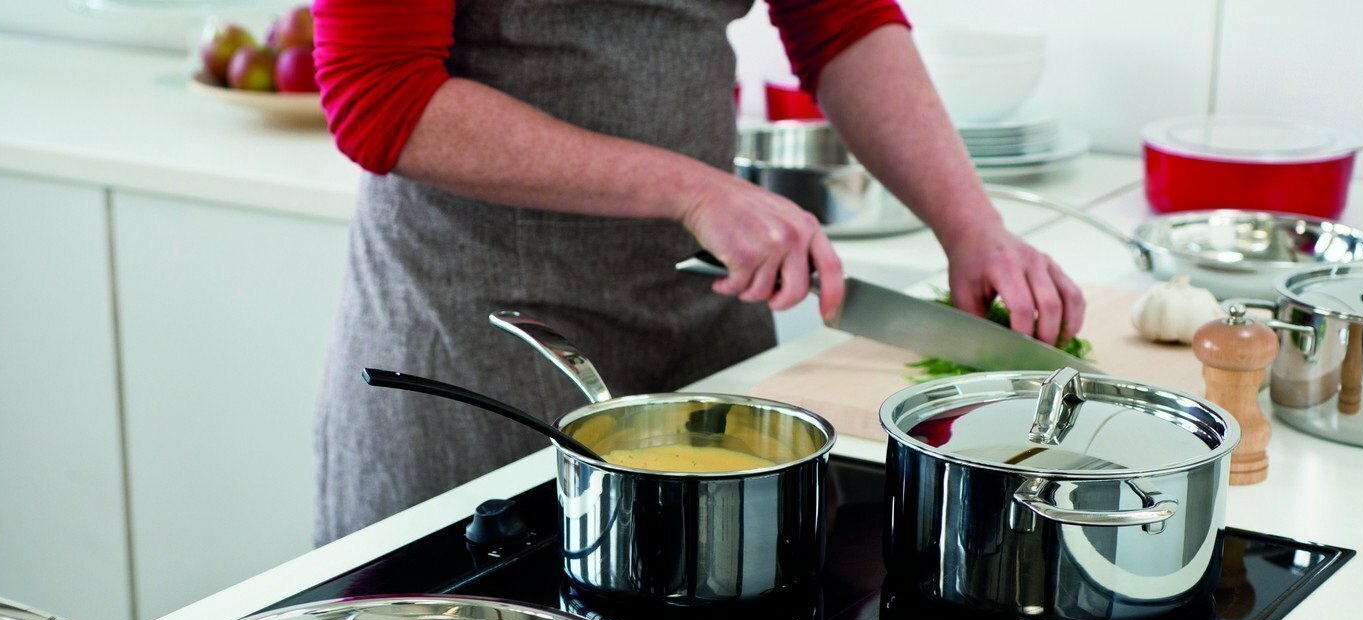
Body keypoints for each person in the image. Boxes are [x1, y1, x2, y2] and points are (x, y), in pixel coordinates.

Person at [310, 0, 1086, 544]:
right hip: (484, 343)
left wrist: (971, 225)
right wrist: (692, 189)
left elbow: (840, 19)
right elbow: (382, 94)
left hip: (707, 322)